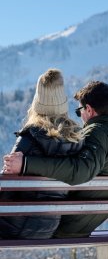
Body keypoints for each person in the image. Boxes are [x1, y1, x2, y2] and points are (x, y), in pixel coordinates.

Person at [3, 80, 108, 238]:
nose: (80, 117)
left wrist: (26, 164)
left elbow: (79, 170)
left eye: (79, 111)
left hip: (64, 224)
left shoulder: (96, 133)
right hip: (86, 224)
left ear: (88, 109)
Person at [0, 68, 84, 239]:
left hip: (16, 224)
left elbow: (6, 185)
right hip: (49, 226)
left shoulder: (30, 137)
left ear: (37, 102)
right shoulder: (76, 139)